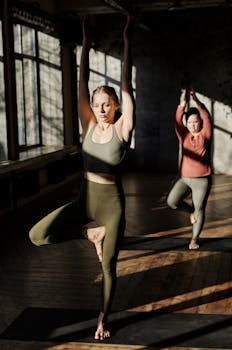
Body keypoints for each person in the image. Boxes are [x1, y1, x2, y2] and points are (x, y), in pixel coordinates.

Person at [29, 15, 135, 340]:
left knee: (108, 268)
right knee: (37, 235)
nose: (101, 108)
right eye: (96, 104)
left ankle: (103, 318)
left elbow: (127, 84)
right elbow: (81, 84)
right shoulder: (87, 126)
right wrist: (85, 45)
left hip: (112, 208)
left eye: (107, 104)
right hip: (84, 199)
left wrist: (128, 42)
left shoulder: (123, 128)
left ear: (116, 106)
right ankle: (89, 235)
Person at [167, 87, 212, 250]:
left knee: (200, 208)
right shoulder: (184, 135)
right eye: (190, 122)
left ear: (200, 122)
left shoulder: (206, 134)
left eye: (196, 121)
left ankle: (194, 239)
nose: (193, 125)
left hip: (202, 180)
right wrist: (183, 103)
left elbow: (206, 115)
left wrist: (197, 101)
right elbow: (178, 119)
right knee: (172, 201)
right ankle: (190, 211)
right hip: (184, 178)